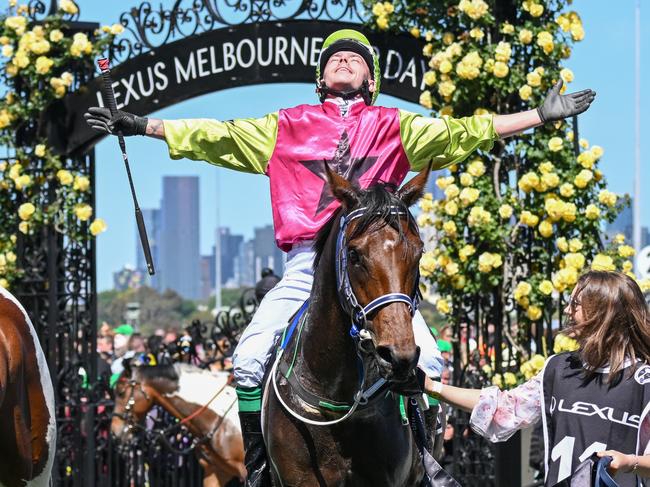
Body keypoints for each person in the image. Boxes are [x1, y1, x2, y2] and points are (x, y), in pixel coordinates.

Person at [85, 28, 595, 485]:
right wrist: (139, 125)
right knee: (245, 359)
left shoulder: (399, 125)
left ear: (371, 79)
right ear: (320, 78)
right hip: (308, 265)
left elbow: (464, 132)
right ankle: (261, 467)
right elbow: (215, 136)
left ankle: (426, 460)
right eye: (334, 57)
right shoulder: (283, 125)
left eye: (355, 57)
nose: (344, 60)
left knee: (430, 357)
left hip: (374, 267)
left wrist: (539, 116)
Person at [423, 271, 650, 486]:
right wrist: (433, 387)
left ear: (603, 312)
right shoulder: (558, 367)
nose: (567, 310)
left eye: (575, 304)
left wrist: (629, 462)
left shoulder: (644, 381)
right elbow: (505, 406)